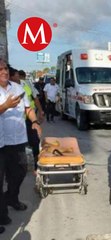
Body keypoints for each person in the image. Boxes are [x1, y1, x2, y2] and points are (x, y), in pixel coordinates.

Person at [0, 58, 42, 232]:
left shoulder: (17, 88)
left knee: (20, 172)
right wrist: (5, 106)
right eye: (0, 69)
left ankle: (12, 198)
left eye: (5, 69)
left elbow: (28, 109)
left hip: (18, 140)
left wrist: (34, 121)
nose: (4, 71)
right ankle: (1, 215)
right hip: (1, 144)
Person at [19, 70, 44, 172]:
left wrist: (40, 113)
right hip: (17, 121)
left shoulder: (26, 84)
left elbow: (35, 99)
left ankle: (36, 165)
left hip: (29, 119)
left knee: (34, 141)